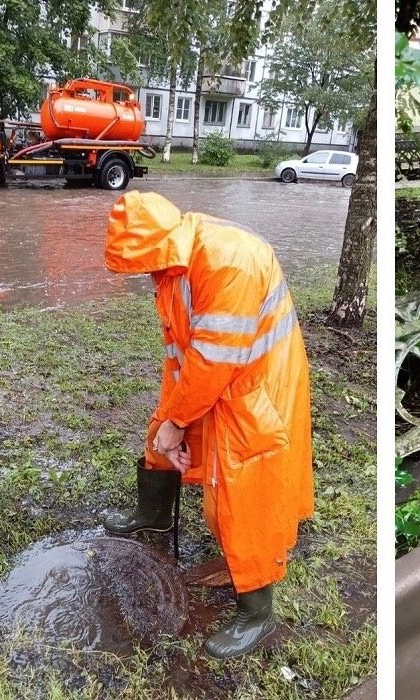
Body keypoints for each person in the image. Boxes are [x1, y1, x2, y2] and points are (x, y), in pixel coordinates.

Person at [101, 190, 314, 659]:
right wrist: (171, 424)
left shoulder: (226, 263)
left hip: (257, 381)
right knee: (160, 430)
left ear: (159, 246)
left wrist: (180, 419)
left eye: (141, 264)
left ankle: (257, 610)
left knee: (243, 484)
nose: (142, 275)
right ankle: (152, 513)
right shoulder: (172, 265)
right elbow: (185, 352)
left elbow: (218, 360)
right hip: (213, 367)